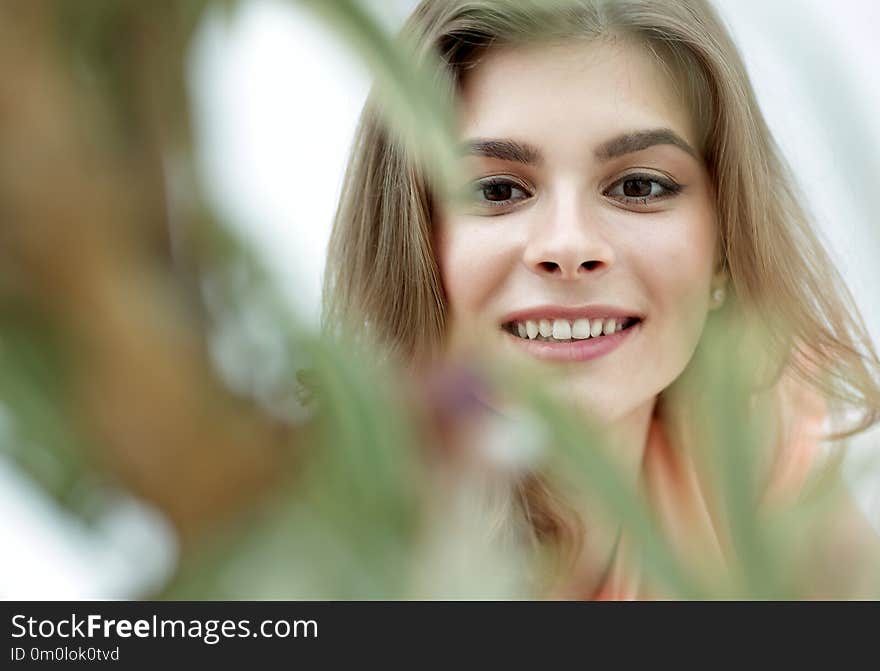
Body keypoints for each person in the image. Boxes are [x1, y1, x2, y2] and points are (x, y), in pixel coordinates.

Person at [321, 0, 880, 598]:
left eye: (639, 186)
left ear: (724, 241)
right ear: (415, 239)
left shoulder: (754, 430)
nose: (569, 244)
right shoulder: (320, 534)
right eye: (498, 189)